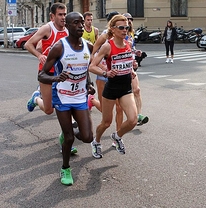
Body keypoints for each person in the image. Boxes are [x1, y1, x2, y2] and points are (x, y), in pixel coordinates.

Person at [38, 11, 94, 186]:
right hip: (62, 96)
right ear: (68, 26)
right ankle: (65, 168)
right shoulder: (59, 47)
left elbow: (85, 68)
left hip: (79, 96)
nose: (80, 26)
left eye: (82, 22)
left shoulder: (89, 46)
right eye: (76, 23)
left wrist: (89, 83)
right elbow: (42, 75)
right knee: (69, 138)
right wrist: (56, 78)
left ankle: (67, 133)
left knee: (87, 137)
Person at [89, 14, 138, 158]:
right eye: (121, 28)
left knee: (133, 120)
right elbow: (92, 66)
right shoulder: (107, 46)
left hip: (125, 87)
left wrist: (132, 69)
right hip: (111, 88)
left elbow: (127, 63)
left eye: (127, 27)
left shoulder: (127, 44)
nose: (125, 30)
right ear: (113, 29)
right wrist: (106, 73)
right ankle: (96, 141)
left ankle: (117, 136)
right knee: (106, 122)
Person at [25, 3, 68, 115]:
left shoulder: (68, 29)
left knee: (67, 103)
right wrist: (39, 55)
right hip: (47, 72)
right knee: (49, 110)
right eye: (60, 15)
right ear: (52, 16)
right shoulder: (47, 29)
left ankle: (66, 130)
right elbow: (28, 44)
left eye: (65, 14)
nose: (63, 17)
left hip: (63, 72)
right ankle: (36, 99)